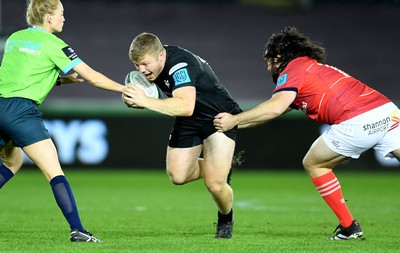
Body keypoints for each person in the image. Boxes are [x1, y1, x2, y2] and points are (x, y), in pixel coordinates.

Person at [213, 26, 400, 240]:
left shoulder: (292, 70)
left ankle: (349, 227)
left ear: (278, 58)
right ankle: (349, 228)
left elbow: (274, 107)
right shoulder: (312, 68)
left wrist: (234, 119)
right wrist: (232, 125)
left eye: (268, 62)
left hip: (357, 119)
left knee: (314, 163)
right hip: (387, 111)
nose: (268, 68)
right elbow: (273, 113)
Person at [0, 0, 124, 242]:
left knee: (11, 163)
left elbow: (23, 75)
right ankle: (78, 230)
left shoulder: (15, 38)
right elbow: (94, 78)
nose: (63, 19)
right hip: (21, 111)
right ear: (48, 17)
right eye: (61, 14)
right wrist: (125, 89)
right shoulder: (55, 45)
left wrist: (64, 80)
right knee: (53, 171)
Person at [122, 32, 242, 239]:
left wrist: (145, 102)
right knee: (178, 176)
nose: (141, 70)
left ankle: (225, 219)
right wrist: (137, 101)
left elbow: (186, 105)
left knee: (214, 184)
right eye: (136, 65)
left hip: (219, 116)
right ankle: (222, 165)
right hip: (190, 118)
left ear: (161, 56)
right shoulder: (155, 65)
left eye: (144, 64)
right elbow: (164, 98)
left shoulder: (179, 65)